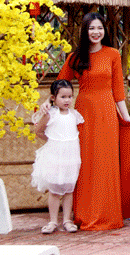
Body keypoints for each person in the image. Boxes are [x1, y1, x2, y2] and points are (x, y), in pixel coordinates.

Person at [45, 11, 130, 231]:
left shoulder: (113, 54)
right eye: (91, 28)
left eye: (99, 28)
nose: (96, 32)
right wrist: (51, 104)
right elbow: (60, 82)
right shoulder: (75, 57)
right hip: (83, 113)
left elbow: (118, 89)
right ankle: (82, 215)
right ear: (85, 32)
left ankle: (108, 213)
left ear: (104, 31)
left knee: (105, 162)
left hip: (107, 112)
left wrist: (125, 117)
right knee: (85, 162)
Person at [32, 80, 84, 234]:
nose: (67, 100)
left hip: (71, 157)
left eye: (70, 97)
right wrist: (53, 142)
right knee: (54, 189)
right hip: (55, 156)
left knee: (69, 189)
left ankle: (67, 220)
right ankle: (53, 221)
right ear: (53, 98)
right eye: (63, 97)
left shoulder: (74, 115)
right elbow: (39, 131)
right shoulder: (51, 115)